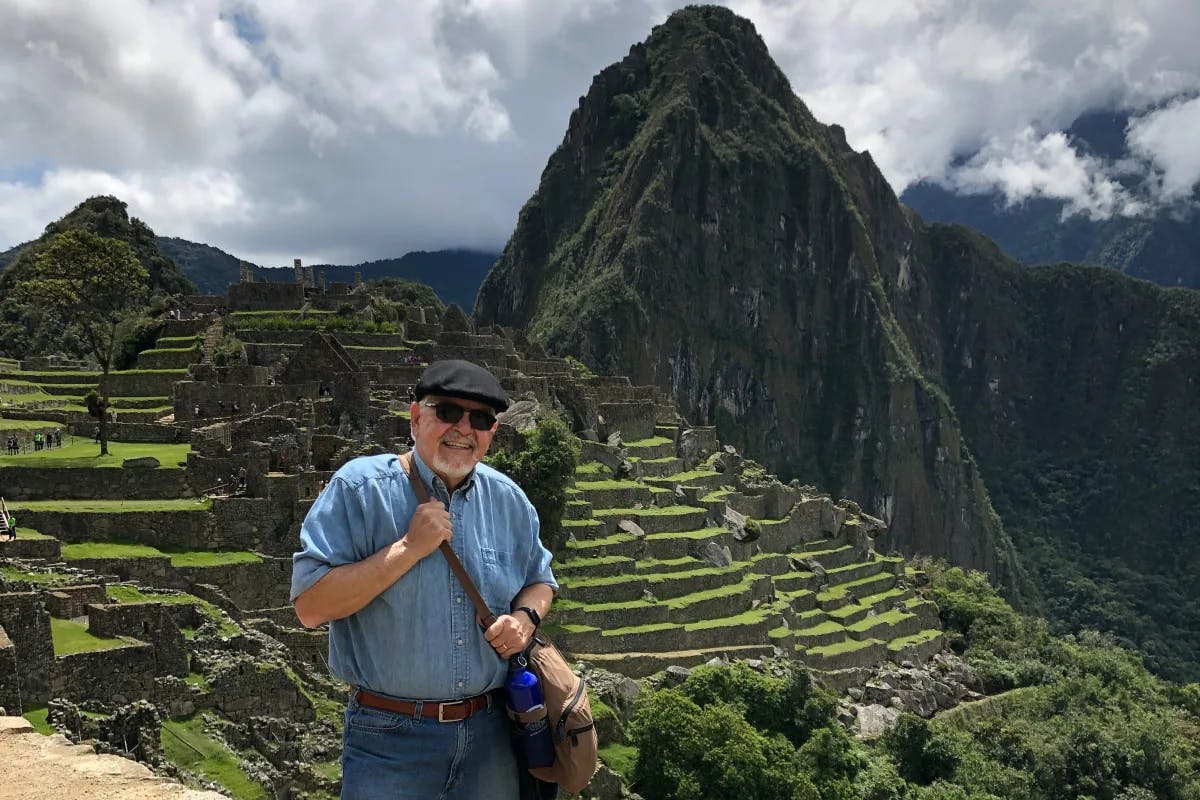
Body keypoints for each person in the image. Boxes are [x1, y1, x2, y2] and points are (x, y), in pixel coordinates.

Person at [291, 359, 556, 800]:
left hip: (490, 735)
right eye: (448, 411)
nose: (463, 428)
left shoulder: (509, 500)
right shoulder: (360, 489)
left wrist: (525, 618)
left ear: (492, 432)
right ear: (415, 417)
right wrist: (408, 549)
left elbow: (540, 579)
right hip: (388, 739)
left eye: (481, 419)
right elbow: (310, 606)